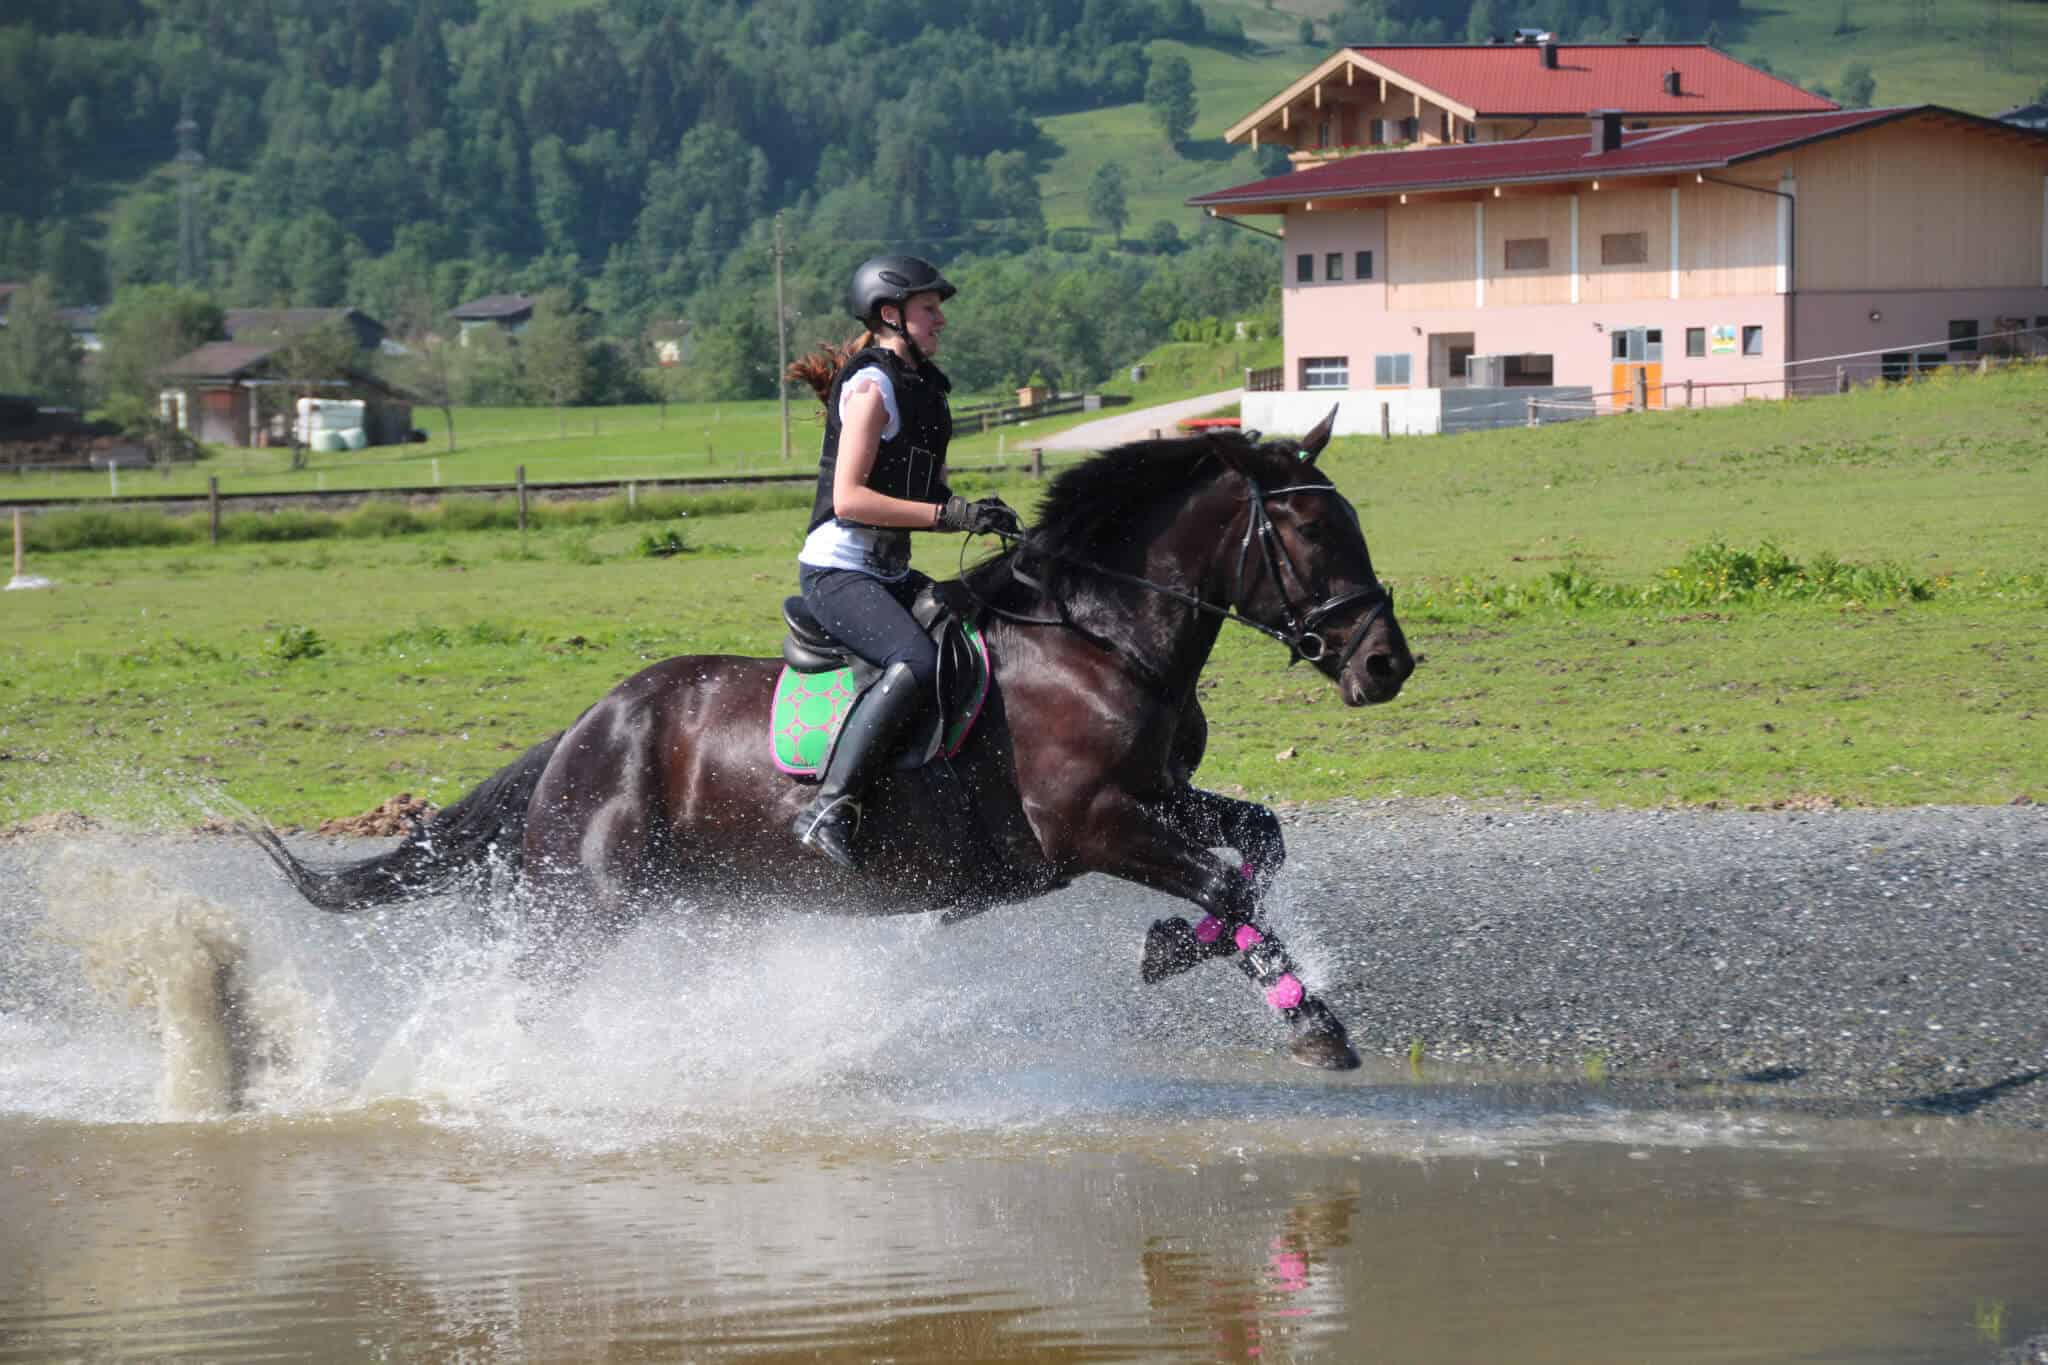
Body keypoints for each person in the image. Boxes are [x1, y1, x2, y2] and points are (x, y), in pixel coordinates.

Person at [788, 254, 1020, 870]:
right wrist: (949, 518)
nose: (940, 320)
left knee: (975, 633)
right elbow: (851, 499)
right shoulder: (872, 387)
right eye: (928, 309)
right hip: (838, 572)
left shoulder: (926, 389)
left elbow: (923, 493)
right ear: (891, 315)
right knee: (915, 662)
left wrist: (974, 511)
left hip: (886, 572)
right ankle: (828, 807)